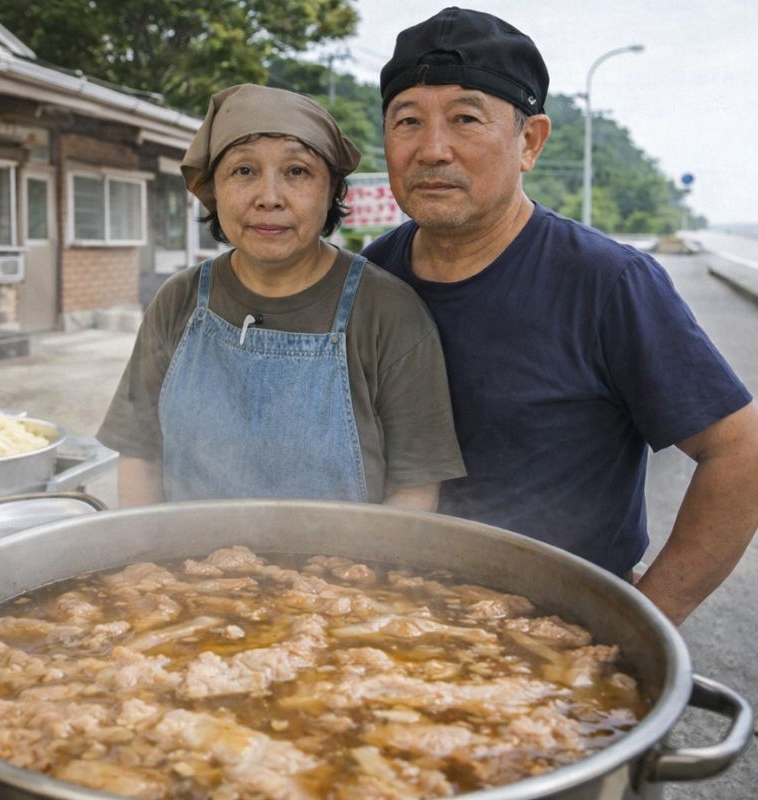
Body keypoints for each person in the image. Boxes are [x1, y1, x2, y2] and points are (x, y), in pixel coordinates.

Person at [363, 7, 758, 624]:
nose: (432, 149)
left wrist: (643, 622)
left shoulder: (607, 283)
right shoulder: (370, 276)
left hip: (557, 633)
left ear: (530, 142)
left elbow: (740, 451)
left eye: (466, 118)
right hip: (386, 616)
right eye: (407, 120)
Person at [97, 84, 466, 510]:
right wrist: (150, 548)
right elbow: (141, 455)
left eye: (297, 171)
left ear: (332, 190)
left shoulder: (388, 312)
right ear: (212, 188)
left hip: (346, 554)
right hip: (188, 553)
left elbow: (415, 488)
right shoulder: (178, 301)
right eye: (243, 171)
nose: (269, 198)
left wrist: (365, 558)